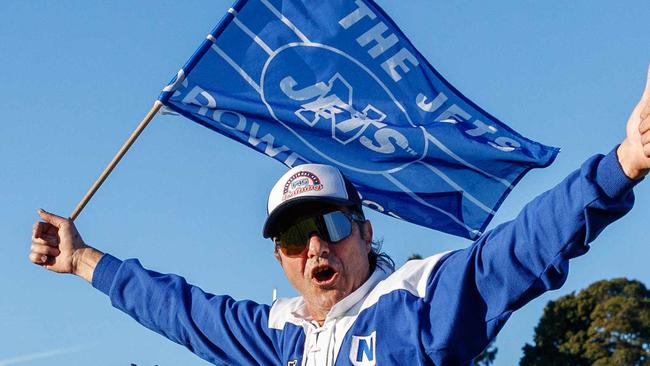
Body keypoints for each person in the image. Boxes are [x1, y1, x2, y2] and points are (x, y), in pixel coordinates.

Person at [30, 67, 650, 366]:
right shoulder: (278, 337)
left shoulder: (419, 303)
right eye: (296, 237)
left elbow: (520, 250)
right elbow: (182, 310)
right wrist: (83, 259)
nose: (315, 249)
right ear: (281, 258)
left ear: (365, 231)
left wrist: (623, 162)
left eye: (329, 227)